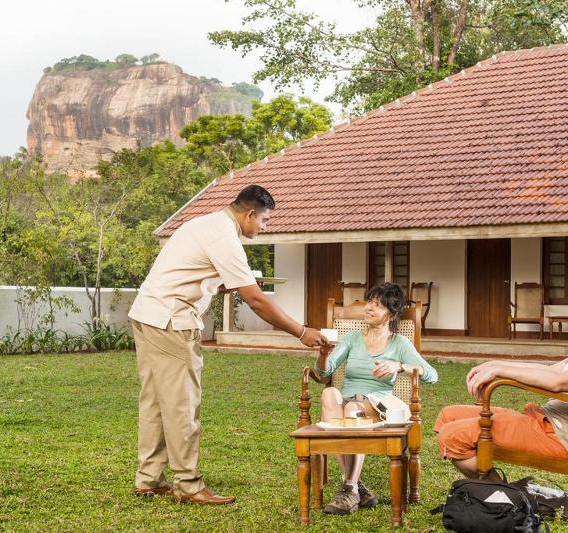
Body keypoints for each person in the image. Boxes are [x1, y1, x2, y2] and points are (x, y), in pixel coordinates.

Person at [128, 184, 326, 505]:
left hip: (147, 315)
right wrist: (301, 331)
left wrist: (224, 286)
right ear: (249, 214)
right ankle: (189, 484)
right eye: (264, 220)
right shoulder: (225, 238)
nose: (265, 227)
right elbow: (256, 301)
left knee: (155, 402)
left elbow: (192, 274)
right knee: (182, 405)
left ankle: (148, 478)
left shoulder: (204, 223)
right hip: (171, 322)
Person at [434, 275, 568, 478]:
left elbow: (559, 382)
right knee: (448, 416)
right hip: (549, 421)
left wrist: (500, 371)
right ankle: (498, 496)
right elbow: (554, 370)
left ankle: (504, 500)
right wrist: (497, 364)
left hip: (563, 437)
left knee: (452, 437)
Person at [314, 282, 438, 515]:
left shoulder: (399, 343)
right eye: (369, 301)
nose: (369, 308)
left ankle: (348, 487)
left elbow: (432, 375)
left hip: (376, 404)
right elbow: (323, 374)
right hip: (349, 400)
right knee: (330, 393)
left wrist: (398, 366)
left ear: (391, 314)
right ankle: (355, 486)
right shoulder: (352, 338)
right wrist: (323, 355)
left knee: (352, 409)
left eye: (378, 305)